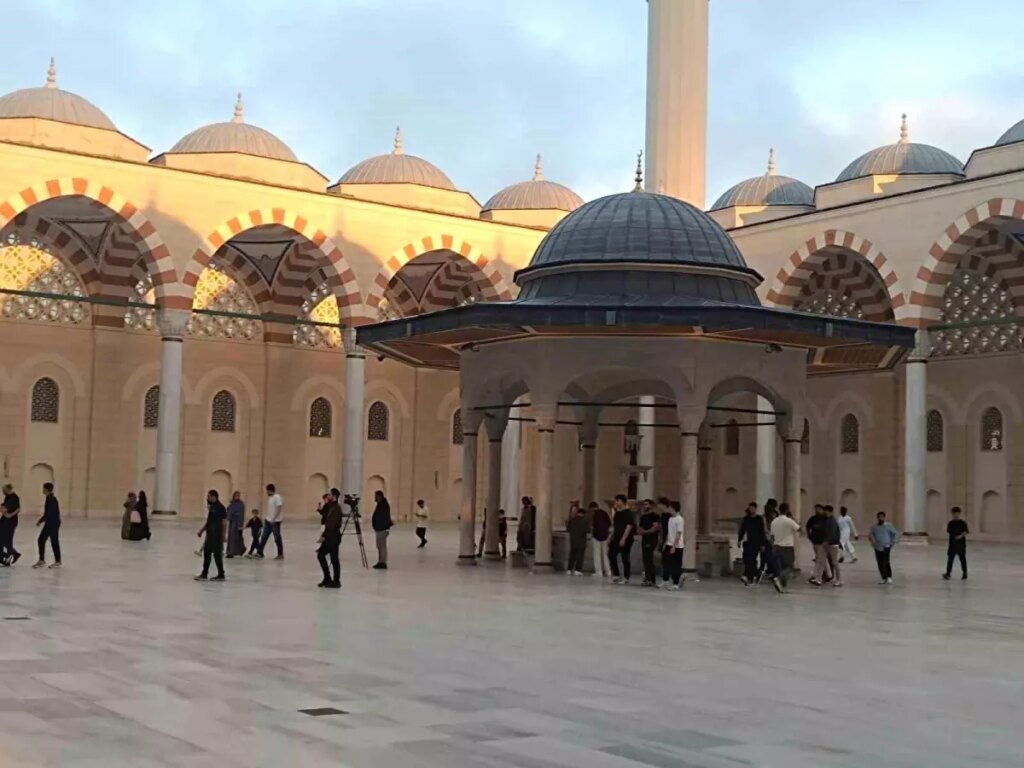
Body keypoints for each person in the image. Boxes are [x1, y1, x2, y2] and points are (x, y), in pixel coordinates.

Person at [195, 489, 226, 581]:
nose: (207, 498)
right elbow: (209, 522)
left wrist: (223, 536)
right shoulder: (212, 507)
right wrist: (202, 530)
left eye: (208, 496)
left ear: (213, 497)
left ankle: (221, 574)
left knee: (217, 555)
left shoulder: (221, 508)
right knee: (207, 553)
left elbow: (224, 523)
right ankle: (204, 573)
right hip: (210, 535)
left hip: (217, 535)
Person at [770, 502, 800, 589]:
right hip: (787, 547)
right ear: (787, 510)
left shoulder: (774, 521)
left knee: (781, 566)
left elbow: (772, 536)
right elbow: (799, 529)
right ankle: (778, 578)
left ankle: (782, 585)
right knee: (789, 566)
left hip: (777, 546)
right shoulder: (789, 521)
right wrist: (794, 520)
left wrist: (773, 546)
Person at [317, 488, 342, 589]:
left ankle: (336, 581)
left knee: (333, 558)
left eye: (330, 495)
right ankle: (327, 578)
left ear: (334, 496)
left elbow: (331, 525)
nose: (328, 496)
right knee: (321, 555)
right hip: (330, 536)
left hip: (333, 537)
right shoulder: (331, 506)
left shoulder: (336, 508)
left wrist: (324, 536)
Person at [738, 502, 767, 586]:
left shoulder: (759, 519)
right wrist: (739, 540)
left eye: (752, 508)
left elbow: (762, 532)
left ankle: (746, 575)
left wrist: (762, 544)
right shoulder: (746, 519)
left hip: (756, 543)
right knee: (747, 559)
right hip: (747, 542)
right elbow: (742, 530)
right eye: (750, 508)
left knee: (752, 559)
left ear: (755, 509)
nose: (751, 509)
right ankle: (755, 574)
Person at [33, 482, 61, 568]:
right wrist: (40, 521)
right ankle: (43, 560)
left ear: (46, 489)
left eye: (43, 488)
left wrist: (41, 521)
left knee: (52, 541)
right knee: (42, 540)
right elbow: (47, 513)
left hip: (53, 523)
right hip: (50, 523)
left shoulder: (52, 500)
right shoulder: (49, 498)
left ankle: (57, 561)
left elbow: (49, 513)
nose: (42, 490)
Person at [608, 494, 635, 584]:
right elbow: (614, 526)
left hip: (626, 538)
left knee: (625, 557)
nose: (616, 502)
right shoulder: (617, 513)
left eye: (617, 501)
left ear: (621, 501)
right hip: (616, 537)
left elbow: (629, 526)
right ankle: (616, 574)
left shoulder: (628, 513)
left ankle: (626, 577)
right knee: (611, 555)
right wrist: (609, 537)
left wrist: (623, 538)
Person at [869, 511, 900, 584]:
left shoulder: (889, 526)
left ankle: (889, 576)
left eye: (882, 517)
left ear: (884, 517)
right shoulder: (874, 527)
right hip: (877, 547)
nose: (881, 518)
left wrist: (893, 542)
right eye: (879, 517)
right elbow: (871, 534)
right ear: (877, 518)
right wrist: (873, 542)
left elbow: (895, 534)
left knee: (886, 562)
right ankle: (883, 577)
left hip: (886, 546)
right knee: (879, 563)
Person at [256, 484, 284, 559]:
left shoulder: (277, 497)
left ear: (270, 490)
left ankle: (280, 554)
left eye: (267, 491)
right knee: (264, 537)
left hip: (275, 522)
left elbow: (279, 508)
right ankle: (260, 552)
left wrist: (274, 519)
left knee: (277, 538)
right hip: (268, 521)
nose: (266, 492)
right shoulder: (271, 498)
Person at [637, 499, 661, 587]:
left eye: (646, 504)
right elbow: (640, 529)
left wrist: (645, 531)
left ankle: (652, 579)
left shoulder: (655, 516)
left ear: (651, 505)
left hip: (652, 540)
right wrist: (642, 531)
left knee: (650, 560)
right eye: (644, 504)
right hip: (644, 540)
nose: (644, 506)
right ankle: (647, 578)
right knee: (645, 559)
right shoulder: (643, 517)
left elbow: (655, 527)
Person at [661, 501, 683, 590]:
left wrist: (674, 546)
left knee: (675, 565)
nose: (668, 509)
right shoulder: (670, 519)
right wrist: (665, 543)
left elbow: (678, 533)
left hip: (677, 546)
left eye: (670, 507)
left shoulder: (680, 519)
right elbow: (669, 533)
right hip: (668, 544)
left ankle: (675, 584)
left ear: (673, 508)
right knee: (666, 563)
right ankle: (665, 581)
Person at [805, 505, 831, 585]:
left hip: (822, 542)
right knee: (822, 558)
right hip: (815, 541)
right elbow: (808, 526)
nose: (817, 511)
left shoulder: (826, 519)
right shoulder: (813, 518)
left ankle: (816, 576)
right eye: (816, 509)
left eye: (819, 509)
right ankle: (828, 574)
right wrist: (809, 535)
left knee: (819, 559)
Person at [943, 506, 969, 580]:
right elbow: (950, 533)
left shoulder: (962, 523)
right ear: (952, 514)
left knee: (962, 559)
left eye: (957, 513)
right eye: (954, 513)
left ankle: (965, 573)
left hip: (961, 545)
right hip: (952, 545)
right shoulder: (950, 523)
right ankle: (948, 574)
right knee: (950, 560)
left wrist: (960, 536)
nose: (955, 515)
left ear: (959, 514)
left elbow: (966, 531)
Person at [0, 483, 21, 566]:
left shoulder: (13, 498)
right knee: (4, 540)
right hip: (5, 522)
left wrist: (9, 515)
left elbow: (4, 509)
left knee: (7, 540)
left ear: (8, 489)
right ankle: (12, 555)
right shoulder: (8, 497)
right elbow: (18, 509)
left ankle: (9, 556)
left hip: (9, 523)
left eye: (3, 490)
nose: (2, 491)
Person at [821, 505, 842, 587]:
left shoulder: (832, 521)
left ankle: (839, 579)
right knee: (829, 561)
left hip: (833, 544)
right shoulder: (829, 520)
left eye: (825, 511)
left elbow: (831, 533)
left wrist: (826, 542)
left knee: (834, 562)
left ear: (828, 511)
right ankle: (830, 576)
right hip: (830, 543)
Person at [371, 490, 392, 569]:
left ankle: (383, 562)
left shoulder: (384, 505)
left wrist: (383, 527)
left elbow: (384, 518)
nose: (375, 498)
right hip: (379, 529)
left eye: (376, 496)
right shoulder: (380, 504)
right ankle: (380, 561)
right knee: (379, 546)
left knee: (382, 546)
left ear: (379, 496)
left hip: (382, 529)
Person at [590, 501, 612, 577]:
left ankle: (599, 572)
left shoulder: (595, 514)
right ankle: (608, 571)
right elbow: (609, 524)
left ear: (592, 508)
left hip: (596, 537)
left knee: (597, 555)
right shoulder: (604, 513)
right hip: (605, 536)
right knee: (605, 555)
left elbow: (593, 526)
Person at [566, 504, 589, 575]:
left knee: (572, 556)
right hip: (581, 542)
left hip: (573, 541)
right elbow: (587, 530)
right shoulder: (585, 521)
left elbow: (568, 529)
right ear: (583, 514)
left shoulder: (572, 520)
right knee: (580, 556)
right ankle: (577, 570)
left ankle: (569, 569)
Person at [225, 491, 246, 558]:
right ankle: (241, 549)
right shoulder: (232, 503)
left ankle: (231, 553)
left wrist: (240, 524)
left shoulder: (241, 504)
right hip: (232, 521)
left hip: (237, 521)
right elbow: (229, 510)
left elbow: (241, 514)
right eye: (236, 495)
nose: (237, 497)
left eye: (238, 495)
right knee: (233, 536)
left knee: (234, 537)